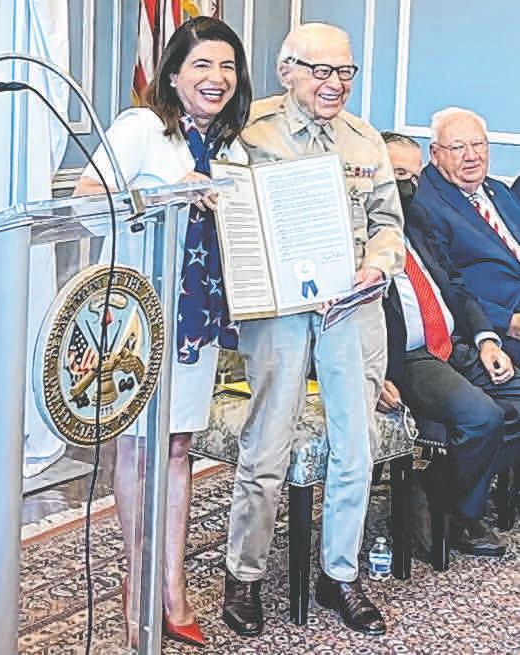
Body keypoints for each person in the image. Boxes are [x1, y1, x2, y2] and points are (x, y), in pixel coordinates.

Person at [222, 22, 404, 639]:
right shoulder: (250, 132)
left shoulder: (365, 139)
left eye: (345, 72)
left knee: (357, 445)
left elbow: (388, 222)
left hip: (351, 306)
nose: (335, 84)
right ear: (287, 71)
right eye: (321, 71)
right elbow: (231, 222)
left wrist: (375, 265)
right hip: (279, 308)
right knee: (268, 442)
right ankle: (244, 575)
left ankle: (340, 574)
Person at [74, 17, 251, 647]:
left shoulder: (232, 149)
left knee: (178, 447)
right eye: (202, 64)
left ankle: (172, 586)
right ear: (173, 74)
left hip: (195, 321)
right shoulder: (141, 129)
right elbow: (86, 201)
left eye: (227, 66)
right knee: (139, 447)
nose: (217, 77)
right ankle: (138, 578)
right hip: (137, 320)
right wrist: (168, 197)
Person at [380, 132, 520, 555]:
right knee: (482, 417)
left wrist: (486, 340)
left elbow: (455, 288)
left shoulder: (417, 224)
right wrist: (371, 374)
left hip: (453, 343)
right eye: (396, 175)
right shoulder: (355, 236)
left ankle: (436, 490)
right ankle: (462, 517)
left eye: (413, 177)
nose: (408, 187)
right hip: (409, 356)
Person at [412, 106, 520, 366]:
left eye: (478, 144)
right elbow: (443, 285)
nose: (471, 156)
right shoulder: (423, 204)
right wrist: (506, 322)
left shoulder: (498, 191)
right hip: (497, 326)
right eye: (458, 147)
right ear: (435, 154)